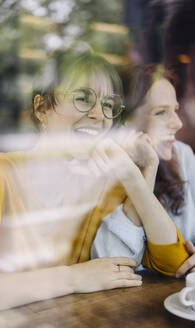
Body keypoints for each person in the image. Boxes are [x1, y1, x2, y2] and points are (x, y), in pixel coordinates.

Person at [0, 51, 145, 313]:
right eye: (82, 98)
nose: (99, 114)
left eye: (109, 105)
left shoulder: (107, 186)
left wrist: (137, 175)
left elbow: (174, 263)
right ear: (41, 108)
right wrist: (73, 278)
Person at [91, 64, 192, 275]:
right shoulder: (102, 170)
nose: (178, 123)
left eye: (175, 110)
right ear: (127, 122)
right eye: (161, 112)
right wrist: (147, 170)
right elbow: (115, 264)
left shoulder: (182, 156)